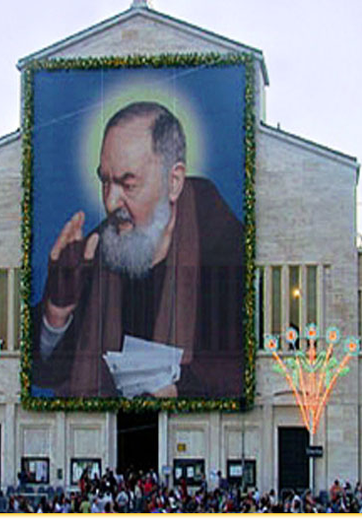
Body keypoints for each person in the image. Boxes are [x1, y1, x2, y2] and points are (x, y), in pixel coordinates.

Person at [33, 101, 244, 398]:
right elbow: (45, 374)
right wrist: (57, 310)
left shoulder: (224, 245)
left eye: (128, 184)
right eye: (105, 182)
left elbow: (242, 365)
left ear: (173, 182)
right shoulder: (93, 253)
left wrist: (178, 390)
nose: (110, 202)